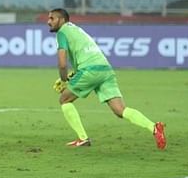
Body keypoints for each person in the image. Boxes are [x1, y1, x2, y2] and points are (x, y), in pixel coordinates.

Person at [47, 8, 166, 150]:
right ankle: (154, 127)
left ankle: (83, 139)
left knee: (64, 100)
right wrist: (71, 76)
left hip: (90, 70)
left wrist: (64, 80)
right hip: (105, 69)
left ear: (62, 20)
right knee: (120, 110)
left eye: (52, 18)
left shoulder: (62, 33)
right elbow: (84, 56)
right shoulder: (77, 30)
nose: (48, 22)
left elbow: (62, 63)